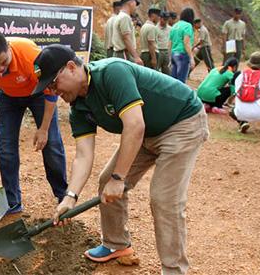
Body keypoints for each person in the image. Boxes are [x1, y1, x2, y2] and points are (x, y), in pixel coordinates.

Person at [34, 45, 208, 274]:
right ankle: (116, 244)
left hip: (181, 123)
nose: (54, 91)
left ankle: (174, 269)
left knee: (164, 199)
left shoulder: (112, 72)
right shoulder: (78, 107)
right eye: (49, 88)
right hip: (146, 133)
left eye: (54, 83)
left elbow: (135, 125)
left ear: (71, 67)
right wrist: (70, 197)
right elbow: (84, 155)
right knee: (106, 179)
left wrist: (119, 178)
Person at [0, 28, 67, 214]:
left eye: (3, 62)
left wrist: (43, 129)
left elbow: (51, 92)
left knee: (51, 144)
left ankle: (63, 196)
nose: (0, 69)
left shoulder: (31, 56)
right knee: (6, 149)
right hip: (9, 96)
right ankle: (12, 202)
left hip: (38, 94)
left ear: (9, 48)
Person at [111, 0, 143, 65]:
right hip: (124, 54)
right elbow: (126, 38)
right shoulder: (125, 17)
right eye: (135, 4)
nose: (136, 7)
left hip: (120, 54)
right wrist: (136, 57)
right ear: (131, 3)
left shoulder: (120, 16)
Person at [169, 8, 195, 83]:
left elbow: (170, 43)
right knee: (181, 81)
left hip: (174, 54)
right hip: (182, 55)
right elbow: (186, 43)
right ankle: (180, 94)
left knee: (174, 80)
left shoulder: (175, 26)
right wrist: (191, 58)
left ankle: (172, 94)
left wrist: (170, 57)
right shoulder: (188, 26)